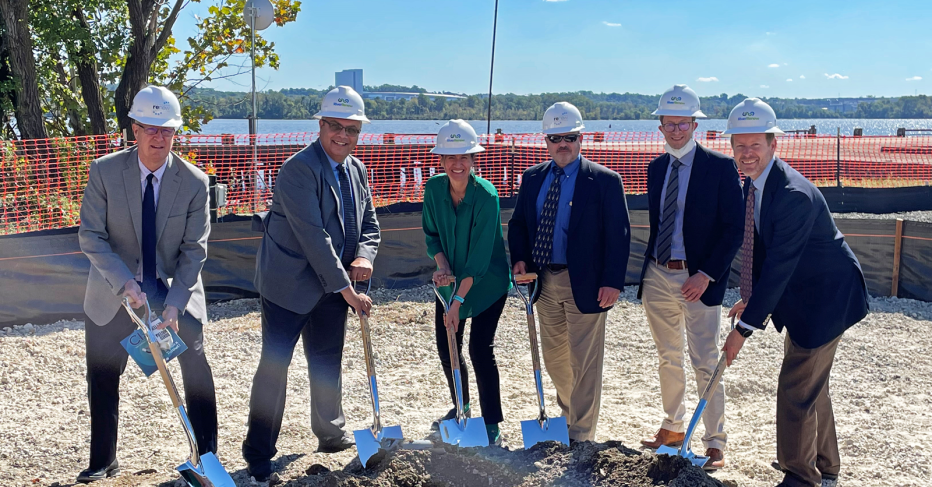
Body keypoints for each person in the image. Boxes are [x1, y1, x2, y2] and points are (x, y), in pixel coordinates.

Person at [720, 98, 869, 487]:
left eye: (756, 145)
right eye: (740, 146)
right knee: (810, 385)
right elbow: (759, 247)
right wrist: (750, 296)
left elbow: (780, 265)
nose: (747, 153)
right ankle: (825, 464)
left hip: (826, 298)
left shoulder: (792, 195)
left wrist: (744, 329)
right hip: (803, 296)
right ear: (731, 147)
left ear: (774, 145)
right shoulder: (752, 185)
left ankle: (801, 477)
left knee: (795, 388)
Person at [77, 86, 217, 483]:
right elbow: (91, 237)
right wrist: (124, 284)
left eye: (167, 130)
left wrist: (174, 305)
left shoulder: (194, 182)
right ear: (133, 130)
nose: (159, 138)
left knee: (196, 370)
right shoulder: (104, 171)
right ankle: (103, 459)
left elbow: (194, 251)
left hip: (173, 287)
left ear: (176, 133)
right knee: (102, 374)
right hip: (113, 287)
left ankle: (207, 458)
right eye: (150, 128)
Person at [242, 86, 380, 482]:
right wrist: (348, 290)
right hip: (289, 285)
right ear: (320, 125)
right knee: (275, 366)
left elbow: (369, 225)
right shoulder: (298, 169)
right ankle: (259, 453)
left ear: (359, 132)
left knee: (326, 361)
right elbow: (313, 237)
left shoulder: (356, 170)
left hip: (333, 287)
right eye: (335, 126)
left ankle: (331, 433)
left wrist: (364, 257)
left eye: (351, 128)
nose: (343, 135)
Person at [508, 102, 630, 442]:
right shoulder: (533, 179)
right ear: (545, 140)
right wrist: (519, 259)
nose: (563, 144)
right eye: (556, 138)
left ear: (582, 138)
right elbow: (519, 225)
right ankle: (567, 415)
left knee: (585, 363)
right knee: (555, 359)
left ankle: (581, 436)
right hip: (543, 282)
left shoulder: (605, 181)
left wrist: (612, 282)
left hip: (588, 285)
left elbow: (619, 235)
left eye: (570, 137)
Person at [637, 85, 744, 470]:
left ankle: (715, 440)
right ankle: (673, 428)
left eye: (683, 122)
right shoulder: (654, 168)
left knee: (705, 360)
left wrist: (707, 274)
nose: (676, 129)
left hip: (699, 279)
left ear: (695, 124)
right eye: (670, 122)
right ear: (661, 125)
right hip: (658, 275)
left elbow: (734, 229)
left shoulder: (719, 167)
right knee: (667, 357)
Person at [422, 120, 512, 446]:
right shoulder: (433, 189)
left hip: (487, 283)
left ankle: (491, 422)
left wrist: (457, 302)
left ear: (474, 159)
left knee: (479, 349)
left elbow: (478, 261)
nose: (457, 164)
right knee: (448, 348)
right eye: (450, 157)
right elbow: (432, 235)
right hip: (451, 283)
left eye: (464, 156)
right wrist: (442, 267)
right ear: (441, 160)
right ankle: (462, 405)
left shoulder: (487, 196)